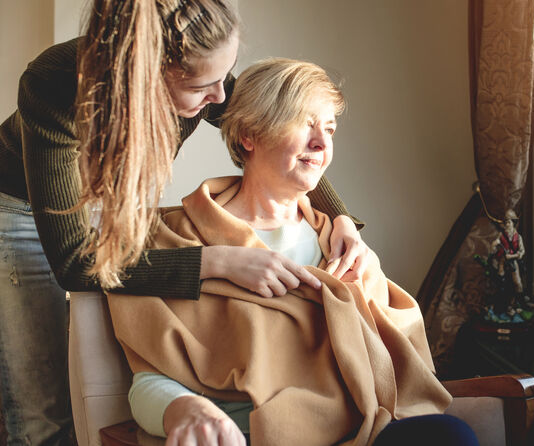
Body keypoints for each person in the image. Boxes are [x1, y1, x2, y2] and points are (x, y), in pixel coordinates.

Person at [0, 1, 369, 444]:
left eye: (224, 76)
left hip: (113, 202)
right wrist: (215, 262)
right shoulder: (55, 86)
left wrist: (339, 214)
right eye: (201, 88)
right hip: (19, 210)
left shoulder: (204, 73)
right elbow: (77, 264)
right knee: (44, 406)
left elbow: (270, 128)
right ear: (144, 77)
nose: (220, 98)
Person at [108, 58, 478, 446]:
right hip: (251, 435)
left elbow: (395, 362)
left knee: (450, 435)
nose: (321, 143)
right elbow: (150, 380)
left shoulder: (340, 245)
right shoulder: (179, 240)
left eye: (329, 128)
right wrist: (185, 409)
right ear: (249, 135)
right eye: (304, 123)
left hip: (361, 430)